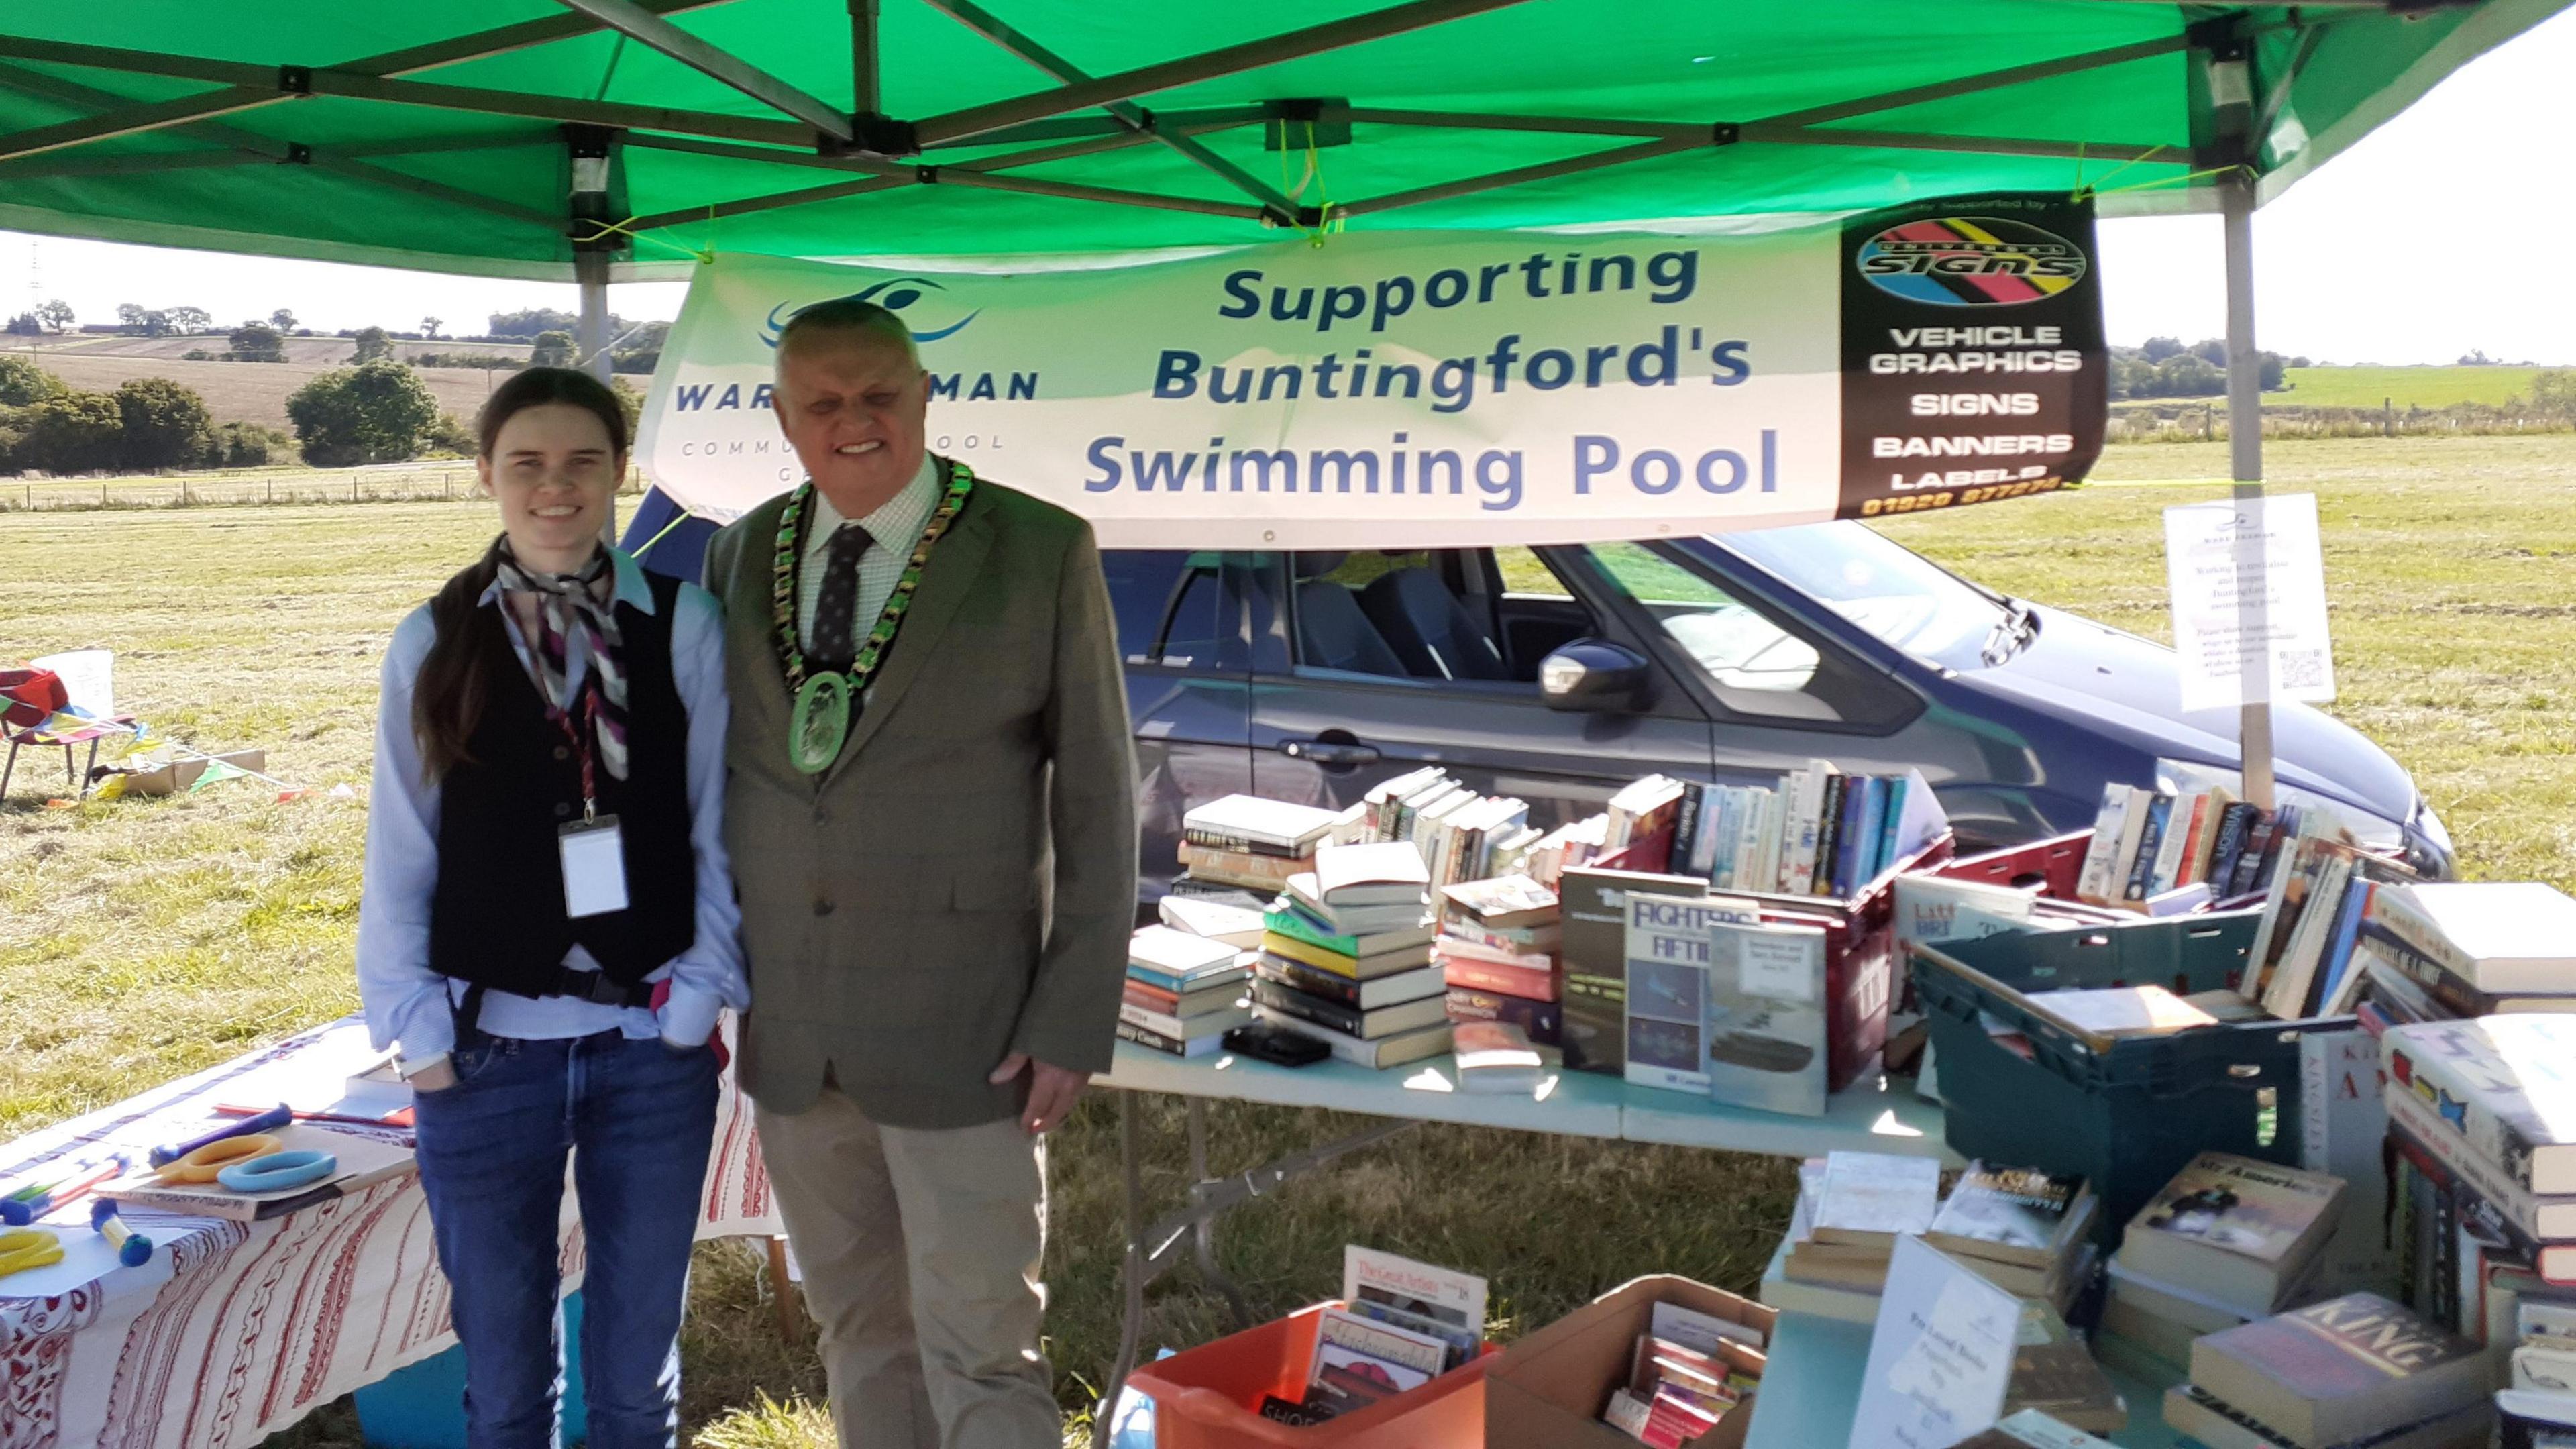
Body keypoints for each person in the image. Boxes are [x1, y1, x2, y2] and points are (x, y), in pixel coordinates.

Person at [701, 297, 1136, 1449]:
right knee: (859, 1332)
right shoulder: (741, 551)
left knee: (984, 1346)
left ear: (927, 396)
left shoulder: (1040, 548)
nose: (855, 421)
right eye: (823, 403)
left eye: (879, 394)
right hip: (797, 1032)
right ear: (783, 419)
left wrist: (1075, 1012)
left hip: (969, 1029)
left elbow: (1098, 801)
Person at [356, 366, 747, 1449]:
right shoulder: (434, 641)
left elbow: (720, 830)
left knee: (634, 1384)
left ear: (619, 472)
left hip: (646, 1056)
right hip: (485, 1061)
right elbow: (401, 850)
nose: (555, 487)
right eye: (526, 463)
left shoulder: (684, 626)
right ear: (487, 474)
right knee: (507, 1388)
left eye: (583, 461)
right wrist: (421, 1040)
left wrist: (691, 1008)